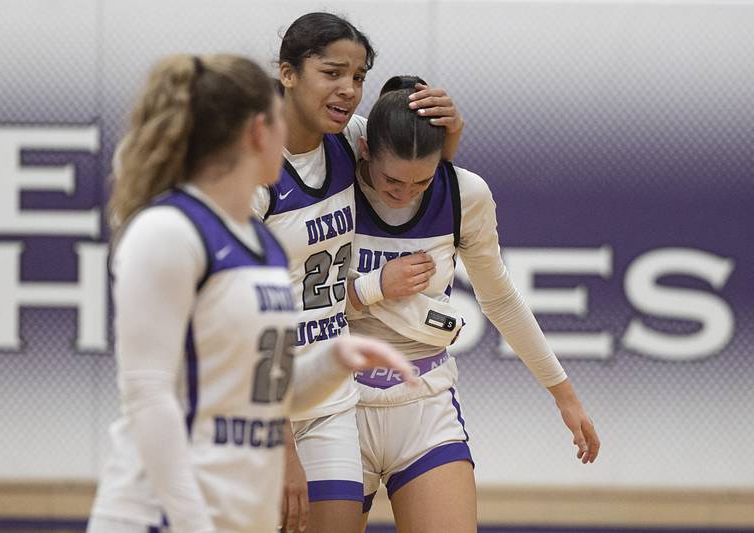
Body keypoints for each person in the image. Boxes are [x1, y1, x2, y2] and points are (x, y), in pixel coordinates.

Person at [86, 53, 417, 533]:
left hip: (239, 512)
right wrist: (192, 521)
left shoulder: (261, 244)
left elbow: (265, 397)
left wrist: (337, 358)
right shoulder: (167, 230)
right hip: (161, 516)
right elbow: (147, 397)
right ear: (260, 131)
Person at [346, 76, 601, 533]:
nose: (403, 193)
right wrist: (373, 287)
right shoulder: (329, 182)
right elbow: (293, 303)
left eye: (420, 180)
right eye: (391, 179)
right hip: (334, 401)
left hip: (423, 404)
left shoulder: (465, 194)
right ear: (364, 148)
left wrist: (564, 395)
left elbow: (500, 299)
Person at [251, 12, 465, 533]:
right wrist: (280, 447)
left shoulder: (350, 140)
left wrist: (452, 128)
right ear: (287, 73)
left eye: (359, 76)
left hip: (329, 394)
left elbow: (415, 164)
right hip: (260, 398)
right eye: (332, 73)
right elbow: (243, 321)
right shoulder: (251, 172)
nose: (349, 89)